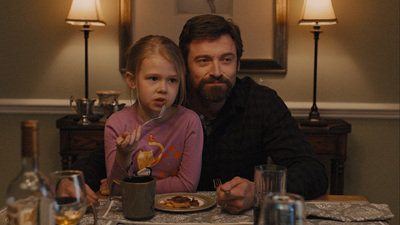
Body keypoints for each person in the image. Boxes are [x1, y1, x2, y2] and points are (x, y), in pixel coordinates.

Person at [62, 14, 328, 214]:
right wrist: (69, 182)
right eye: (203, 60)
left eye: (227, 59)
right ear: (184, 65)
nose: (216, 71)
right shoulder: (165, 103)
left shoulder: (261, 102)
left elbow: (313, 172)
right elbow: (100, 159)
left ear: (238, 62)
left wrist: (258, 190)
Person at [104, 35, 203, 195]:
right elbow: (116, 189)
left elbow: (187, 185)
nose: (163, 88)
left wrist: (132, 186)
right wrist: (124, 154)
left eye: (172, 80)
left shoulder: (190, 122)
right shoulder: (117, 124)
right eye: (153, 78)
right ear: (132, 80)